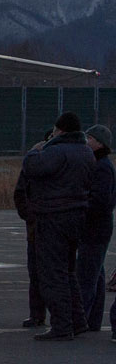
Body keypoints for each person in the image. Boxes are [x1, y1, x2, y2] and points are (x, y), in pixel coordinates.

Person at [21, 111, 93, 341]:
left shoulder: (55, 151)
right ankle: (78, 320)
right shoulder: (86, 152)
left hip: (53, 217)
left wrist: (35, 149)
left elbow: (32, 168)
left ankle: (62, 325)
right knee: (69, 271)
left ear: (59, 130)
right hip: (77, 215)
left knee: (53, 273)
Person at [13, 129, 53, 329]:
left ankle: (58, 315)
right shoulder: (33, 164)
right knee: (36, 272)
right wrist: (29, 216)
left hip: (54, 226)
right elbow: (20, 193)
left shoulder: (59, 162)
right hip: (36, 227)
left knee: (55, 273)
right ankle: (37, 314)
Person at [77, 124, 114, 332]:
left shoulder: (102, 167)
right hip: (97, 228)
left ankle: (81, 320)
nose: (86, 142)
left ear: (100, 143)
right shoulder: (101, 165)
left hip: (95, 230)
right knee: (96, 276)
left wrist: (80, 204)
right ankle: (92, 321)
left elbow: (100, 201)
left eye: (90, 138)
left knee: (86, 278)